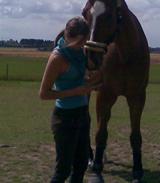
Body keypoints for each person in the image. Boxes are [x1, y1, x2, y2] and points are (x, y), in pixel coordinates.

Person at [39, 17, 97, 183]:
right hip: (65, 119)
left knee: (80, 166)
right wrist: (75, 91)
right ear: (69, 37)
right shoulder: (57, 58)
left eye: (84, 42)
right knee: (62, 171)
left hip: (83, 115)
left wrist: (92, 79)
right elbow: (43, 93)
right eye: (80, 43)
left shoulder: (81, 51)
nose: (82, 46)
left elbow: (83, 75)